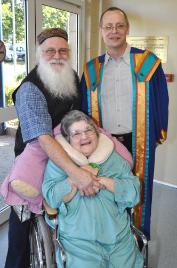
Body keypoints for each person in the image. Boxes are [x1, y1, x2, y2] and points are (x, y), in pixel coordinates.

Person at [3, 27, 132, 268]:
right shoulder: (30, 89)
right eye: (50, 50)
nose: (57, 55)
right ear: (40, 53)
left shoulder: (71, 76)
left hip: (67, 144)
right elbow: (42, 139)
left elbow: (79, 115)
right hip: (37, 151)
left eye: (63, 50)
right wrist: (76, 173)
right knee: (23, 214)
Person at [80, 6, 169, 239]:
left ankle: (137, 241)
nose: (114, 31)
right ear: (101, 31)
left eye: (119, 26)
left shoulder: (148, 63)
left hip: (137, 139)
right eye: (108, 26)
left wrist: (157, 135)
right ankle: (109, 240)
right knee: (104, 190)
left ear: (127, 28)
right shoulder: (91, 69)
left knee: (138, 191)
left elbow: (161, 100)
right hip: (104, 143)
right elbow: (82, 108)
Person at [42, 110, 144, 268]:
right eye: (76, 133)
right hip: (79, 243)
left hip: (118, 237)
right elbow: (51, 197)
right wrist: (76, 178)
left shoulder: (114, 159)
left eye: (88, 130)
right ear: (68, 140)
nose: (84, 136)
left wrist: (105, 182)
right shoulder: (58, 164)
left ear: (97, 133)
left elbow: (134, 191)